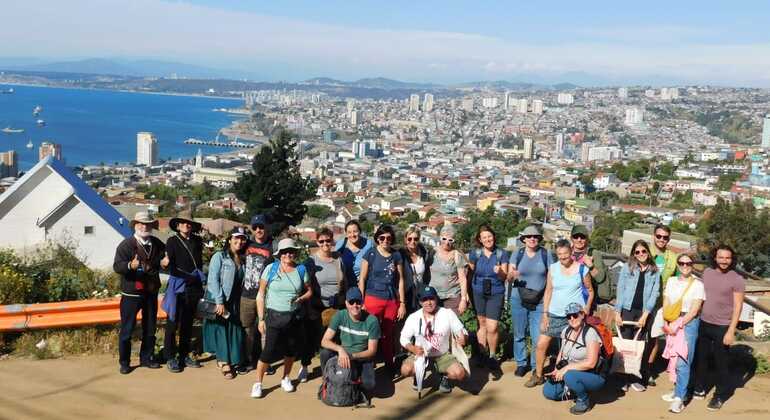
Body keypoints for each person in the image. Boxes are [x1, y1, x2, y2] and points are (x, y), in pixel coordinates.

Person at [251, 238, 313, 399]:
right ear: (280, 254)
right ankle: (258, 383)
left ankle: (285, 378)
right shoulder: (271, 269)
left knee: (290, 351)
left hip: (293, 317)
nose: (288, 254)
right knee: (268, 351)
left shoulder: (301, 270)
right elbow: (261, 294)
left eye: (291, 251)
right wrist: (261, 319)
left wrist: (301, 299)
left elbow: (309, 291)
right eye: (285, 252)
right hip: (273, 316)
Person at [528, 239, 594, 388]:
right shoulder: (553, 268)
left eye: (565, 255)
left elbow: (590, 291)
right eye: (559, 255)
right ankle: (538, 375)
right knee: (541, 344)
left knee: (569, 348)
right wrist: (545, 313)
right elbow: (548, 291)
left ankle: (567, 377)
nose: (563, 259)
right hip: (554, 313)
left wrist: (587, 307)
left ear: (571, 252)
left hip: (573, 316)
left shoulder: (582, 269)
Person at [113, 211, 167, 374]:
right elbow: (117, 266)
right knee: (127, 330)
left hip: (151, 292)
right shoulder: (126, 245)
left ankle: (146, 359)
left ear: (151, 227)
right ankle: (124, 362)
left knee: (150, 328)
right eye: (141, 224)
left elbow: (164, 262)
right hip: (131, 293)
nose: (144, 227)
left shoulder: (157, 244)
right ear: (135, 226)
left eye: (147, 224)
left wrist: (165, 264)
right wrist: (130, 265)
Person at [692, 245, 745, 411]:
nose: (724, 261)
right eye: (721, 257)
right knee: (701, 358)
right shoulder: (707, 273)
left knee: (721, 362)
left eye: (727, 258)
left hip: (723, 326)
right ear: (715, 257)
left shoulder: (736, 279)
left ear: (732, 259)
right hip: (704, 322)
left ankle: (720, 395)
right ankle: (700, 388)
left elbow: (738, 307)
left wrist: (731, 330)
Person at [400, 286, 469, 394]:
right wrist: (413, 348)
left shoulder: (447, 313)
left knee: (459, 374)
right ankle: (418, 375)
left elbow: (462, 331)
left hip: (442, 354)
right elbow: (403, 338)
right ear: (420, 302)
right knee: (405, 370)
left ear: (436, 299)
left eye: (431, 299)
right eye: (425, 300)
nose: (429, 302)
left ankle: (444, 377)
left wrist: (463, 338)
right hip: (420, 353)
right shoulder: (413, 317)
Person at [299, 227, 346, 383]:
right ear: (317, 242)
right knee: (310, 337)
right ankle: (305, 366)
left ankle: (331, 367)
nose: (325, 243)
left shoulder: (338, 259)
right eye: (322, 241)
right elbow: (305, 285)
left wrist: (340, 299)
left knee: (333, 340)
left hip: (335, 306)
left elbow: (343, 282)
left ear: (332, 241)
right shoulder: (311, 261)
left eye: (328, 240)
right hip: (315, 305)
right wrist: (316, 300)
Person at [660, 254, 705, 413]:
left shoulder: (698, 284)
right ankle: (678, 390)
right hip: (671, 321)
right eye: (681, 262)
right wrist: (666, 320)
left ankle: (680, 397)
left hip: (688, 324)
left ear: (693, 264)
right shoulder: (672, 281)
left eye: (688, 263)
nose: (685, 265)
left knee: (683, 360)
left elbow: (694, 310)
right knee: (674, 358)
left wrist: (678, 324)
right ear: (678, 264)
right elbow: (666, 301)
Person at [614, 240, 661, 392]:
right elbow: (620, 289)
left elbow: (655, 293)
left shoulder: (654, 271)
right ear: (633, 254)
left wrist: (645, 315)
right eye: (637, 252)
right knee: (625, 344)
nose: (641, 254)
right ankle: (623, 378)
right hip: (627, 309)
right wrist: (617, 312)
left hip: (642, 312)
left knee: (639, 345)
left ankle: (635, 377)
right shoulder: (628, 268)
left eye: (643, 251)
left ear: (648, 252)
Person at [542, 303, 606, 415]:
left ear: (582, 315)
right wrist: (557, 369)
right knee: (549, 391)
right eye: (568, 316)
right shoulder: (566, 330)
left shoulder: (590, 333)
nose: (572, 319)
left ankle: (584, 400)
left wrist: (566, 369)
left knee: (569, 375)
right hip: (572, 372)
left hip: (593, 374)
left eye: (575, 315)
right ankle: (575, 389)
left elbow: (591, 363)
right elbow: (561, 352)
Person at [507, 225, 554, 377]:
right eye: (529, 237)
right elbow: (509, 275)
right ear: (524, 239)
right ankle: (521, 363)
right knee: (519, 333)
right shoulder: (517, 253)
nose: (532, 239)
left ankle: (535, 365)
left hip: (539, 301)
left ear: (539, 239)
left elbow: (552, 277)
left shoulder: (546, 254)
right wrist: (511, 275)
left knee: (537, 337)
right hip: (518, 298)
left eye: (535, 236)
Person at [358, 224, 406, 371]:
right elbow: (362, 279)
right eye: (382, 237)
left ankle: (389, 363)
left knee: (388, 334)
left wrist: (402, 303)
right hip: (372, 298)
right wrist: (361, 301)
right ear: (377, 239)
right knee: (369, 332)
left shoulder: (396, 255)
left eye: (389, 238)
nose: (385, 240)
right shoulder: (370, 254)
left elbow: (401, 280)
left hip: (390, 300)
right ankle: (367, 364)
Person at [203, 226, 248, 380]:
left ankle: (233, 359)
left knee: (233, 329)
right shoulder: (220, 256)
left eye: (242, 239)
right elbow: (212, 280)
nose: (239, 241)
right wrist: (219, 301)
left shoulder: (243, 259)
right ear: (230, 240)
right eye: (236, 238)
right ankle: (224, 362)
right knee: (221, 329)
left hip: (234, 300)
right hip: (220, 298)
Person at [320, 287, 380, 403]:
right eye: (351, 302)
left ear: (362, 303)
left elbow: (372, 351)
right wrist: (340, 350)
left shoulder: (372, 321)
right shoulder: (340, 316)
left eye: (358, 302)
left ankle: (356, 386)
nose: (355, 305)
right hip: (343, 353)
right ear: (346, 303)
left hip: (361, 357)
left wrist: (352, 356)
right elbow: (324, 341)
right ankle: (328, 379)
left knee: (369, 384)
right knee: (324, 353)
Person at [162, 216, 205, 373]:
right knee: (172, 322)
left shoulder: (197, 241)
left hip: (193, 287)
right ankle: (170, 356)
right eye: (184, 223)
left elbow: (199, 263)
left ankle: (184, 354)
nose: (187, 225)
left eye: (189, 223)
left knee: (187, 323)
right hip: (178, 285)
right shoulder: (172, 241)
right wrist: (165, 263)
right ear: (178, 226)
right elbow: (169, 265)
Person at [467, 224, 509, 379]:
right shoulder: (475, 253)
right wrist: (466, 295)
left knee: (492, 327)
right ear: (480, 239)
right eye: (484, 237)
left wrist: (500, 272)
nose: (487, 239)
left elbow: (505, 277)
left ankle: (492, 356)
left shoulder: (501, 254)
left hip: (495, 292)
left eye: (489, 236)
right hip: (478, 291)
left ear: (494, 236)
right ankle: (482, 354)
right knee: (482, 323)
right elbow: (470, 273)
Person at [239, 214, 276, 374]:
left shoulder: (272, 246)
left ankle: (264, 360)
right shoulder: (245, 244)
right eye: (255, 227)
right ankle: (247, 360)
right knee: (247, 328)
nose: (259, 230)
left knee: (264, 329)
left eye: (261, 226)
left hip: (265, 296)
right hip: (246, 295)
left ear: (266, 227)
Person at [647, 224, 679, 386]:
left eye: (665, 237)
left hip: (661, 303)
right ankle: (631, 368)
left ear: (668, 239)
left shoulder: (672, 257)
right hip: (643, 301)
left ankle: (648, 369)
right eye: (659, 236)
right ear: (653, 236)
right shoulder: (644, 252)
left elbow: (679, 279)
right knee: (638, 335)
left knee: (654, 337)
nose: (661, 240)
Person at [428, 223, 470, 315]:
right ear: (440, 237)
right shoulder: (432, 252)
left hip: (452, 297)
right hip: (433, 296)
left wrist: (463, 299)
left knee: (451, 327)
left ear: (453, 241)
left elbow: (463, 279)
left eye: (450, 239)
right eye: (444, 238)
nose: (447, 242)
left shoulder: (457, 255)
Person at [570, 225, 609, 308]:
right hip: (568, 297)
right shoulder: (567, 252)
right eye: (576, 237)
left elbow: (600, 278)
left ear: (587, 239)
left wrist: (591, 266)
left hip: (585, 300)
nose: (579, 240)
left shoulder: (593, 253)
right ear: (571, 238)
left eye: (582, 237)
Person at [399, 226, 432, 312]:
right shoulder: (400, 255)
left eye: (415, 239)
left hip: (420, 294)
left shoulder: (424, 253)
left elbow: (427, 274)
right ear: (405, 239)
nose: (412, 242)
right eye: (409, 239)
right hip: (405, 294)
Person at [336, 220, 373, 290]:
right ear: (346, 234)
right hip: (346, 285)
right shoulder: (341, 244)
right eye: (349, 232)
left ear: (360, 231)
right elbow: (335, 264)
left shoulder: (368, 244)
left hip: (364, 284)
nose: (352, 235)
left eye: (355, 231)